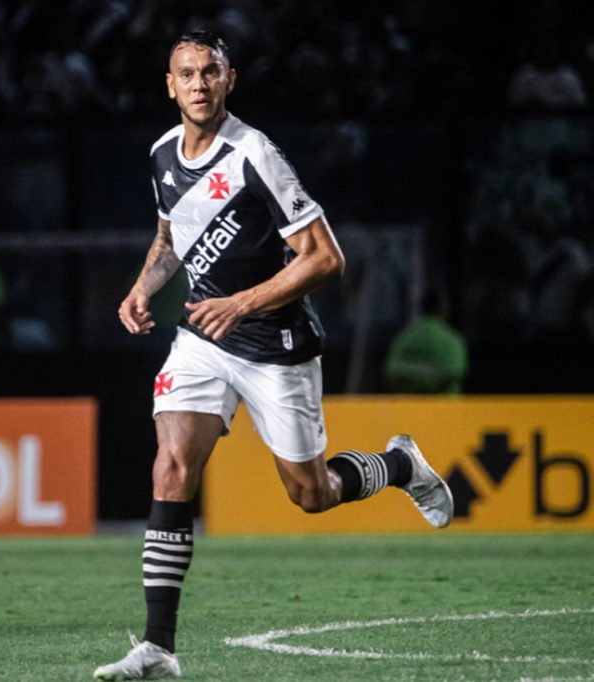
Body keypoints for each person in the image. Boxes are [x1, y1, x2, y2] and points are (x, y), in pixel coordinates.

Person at [94, 31, 453, 680]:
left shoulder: (255, 154)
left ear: (229, 80)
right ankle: (157, 648)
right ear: (168, 86)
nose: (199, 83)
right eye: (187, 73)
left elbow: (325, 258)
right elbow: (170, 236)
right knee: (171, 467)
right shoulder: (160, 155)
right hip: (203, 338)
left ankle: (401, 464)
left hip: (272, 344)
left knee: (311, 494)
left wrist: (243, 303)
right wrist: (143, 286)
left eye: (211, 72)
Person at [384, 289, 469, 394]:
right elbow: (454, 376)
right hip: (446, 408)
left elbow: (391, 376)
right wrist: (430, 399)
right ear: (442, 309)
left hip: (410, 408)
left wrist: (414, 398)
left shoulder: (404, 338)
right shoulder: (451, 339)